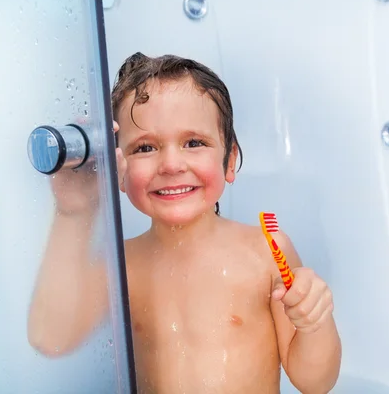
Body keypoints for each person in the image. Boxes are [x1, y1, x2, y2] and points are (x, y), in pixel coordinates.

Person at [28, 52, 341, 393]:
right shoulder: (123, 266)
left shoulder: (266, 251)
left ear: (230, 160)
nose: (171, 164)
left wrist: (314, 324)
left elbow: (314, 383)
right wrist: (74, 212)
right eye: (145, 147)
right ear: (118, 169)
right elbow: (51, 338)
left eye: (194, 142)